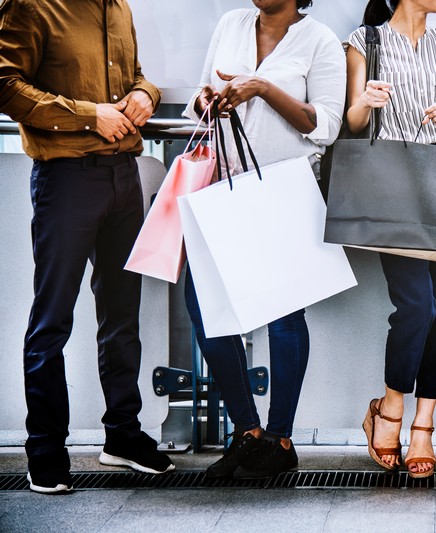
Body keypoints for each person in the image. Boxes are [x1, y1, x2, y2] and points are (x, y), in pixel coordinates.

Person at [0, 0, 174, 494]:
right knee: (52, 319)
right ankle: (45, 451)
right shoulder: (31, 5)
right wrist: (86, 115)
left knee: (122, 316)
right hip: (65, 181)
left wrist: (145, 94)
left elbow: (138, 76)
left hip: (124, 179)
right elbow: (4, 84)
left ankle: (122, 435)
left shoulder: (118, 7)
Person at [181, 0, 345, 478]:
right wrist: (207, 100)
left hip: (286, 191)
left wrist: (262, 88)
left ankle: (280, 439)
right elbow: (198, 93)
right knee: (206, 309)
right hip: (221, 188)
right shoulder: (231, 23)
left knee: (283, 317)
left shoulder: (319, 41)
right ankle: (247, 432)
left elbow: (326, 126)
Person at [346, 0, 436, 478]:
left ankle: (424, 424)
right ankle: (390, 404)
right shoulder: (364, 42)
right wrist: (367, 103)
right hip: (390, 187)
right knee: (418, 307)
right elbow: (353, 124)